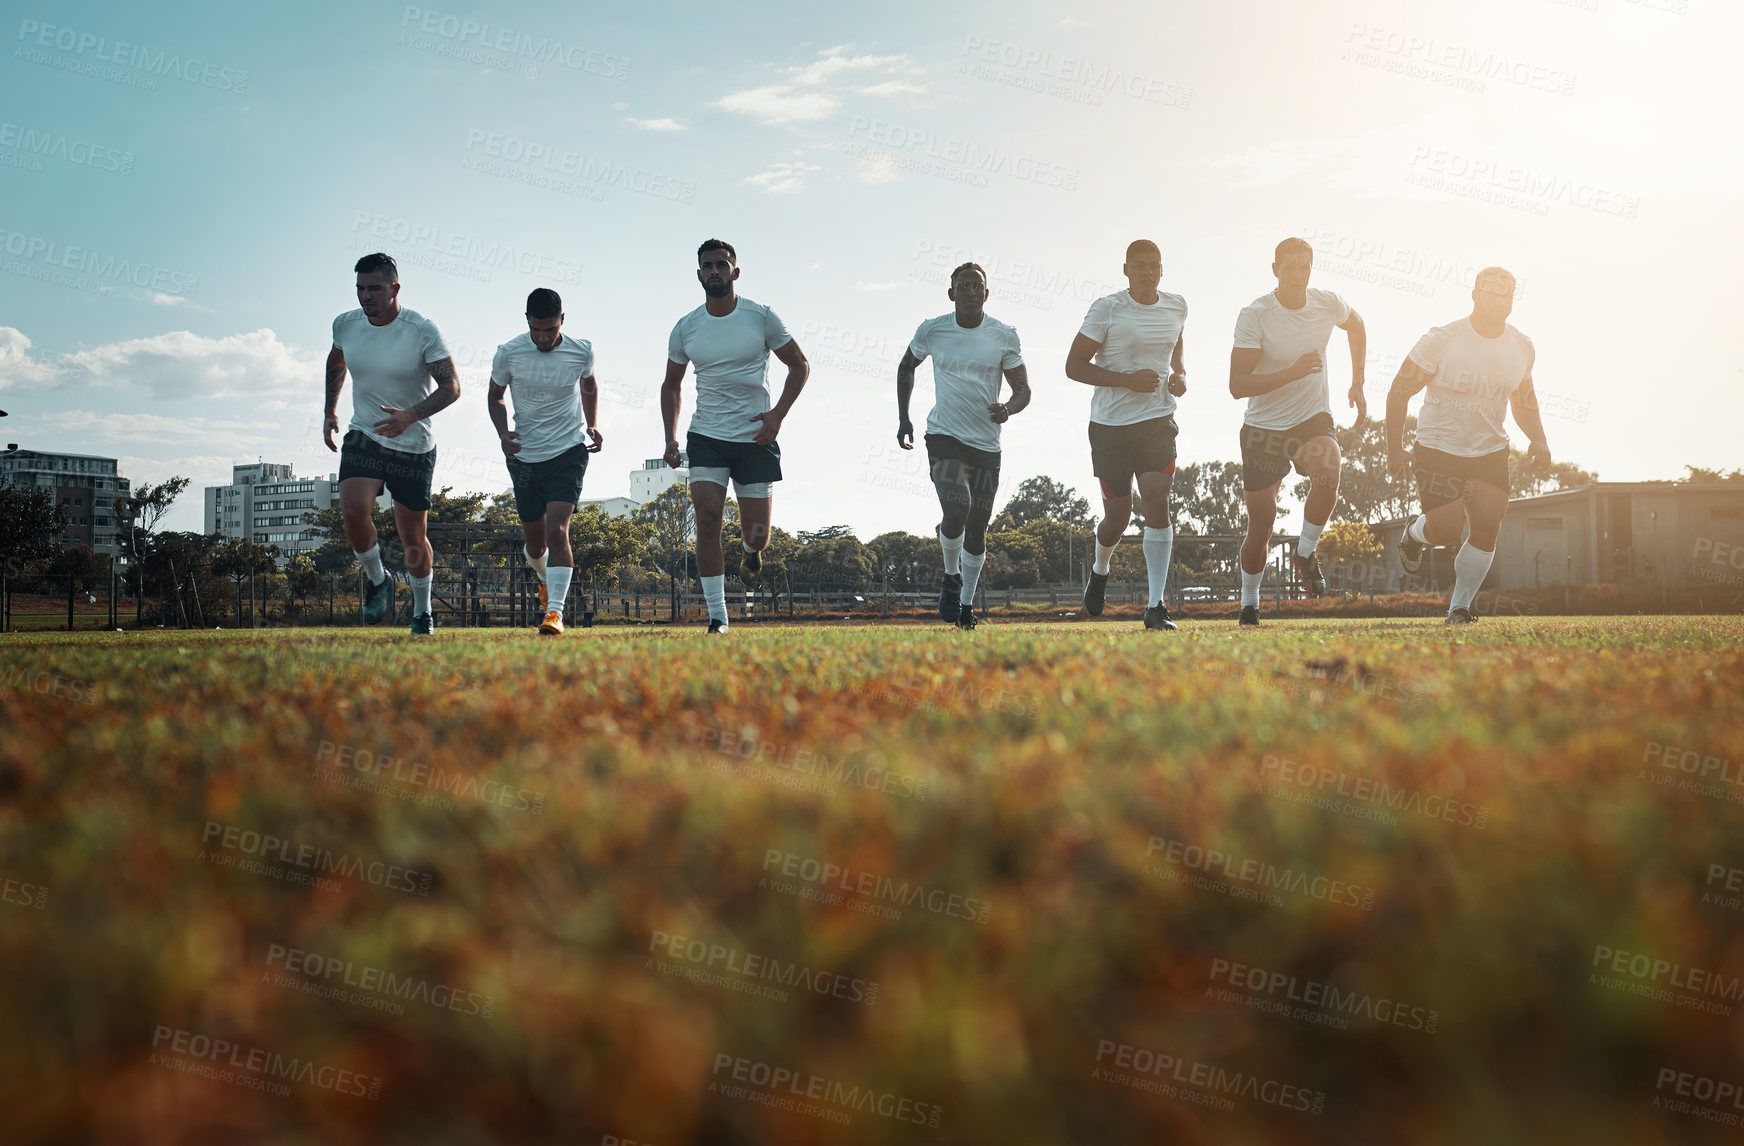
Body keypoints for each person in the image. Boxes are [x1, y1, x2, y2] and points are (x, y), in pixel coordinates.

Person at [661, 239, 809, 633]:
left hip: (756, 436)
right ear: (699, 275)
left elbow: (799, 365)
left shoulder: (761, 317)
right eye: (707, 266)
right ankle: (717, 617)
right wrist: (671, 438)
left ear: (734, 272)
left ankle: (750, 552)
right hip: (706, 436)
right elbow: (672, 386)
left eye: (721, 265)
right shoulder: (686, 327)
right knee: (707, 518)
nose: (714, 271)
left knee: (757, 535)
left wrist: (778, 415)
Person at [1387, 266, 1548, 624]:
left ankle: (1459, 608)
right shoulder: (1441, 339)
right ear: (1474, 295)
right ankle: (1415, 533)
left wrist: (1538, 438)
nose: (1497, 298)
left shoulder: (1521, 346)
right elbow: (1399, 390)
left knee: (1488, 524)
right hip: (1439, 447)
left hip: (1490, 449)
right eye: (1489, 290)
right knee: (1445, 530)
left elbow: (1524, 400)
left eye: (1505, 293)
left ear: (1512, 301)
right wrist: (1394, 448)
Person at [1229, 237, 1366, 627]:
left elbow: (1356, 327)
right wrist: (1292, 371)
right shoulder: (1256, 313)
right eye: (1289, 266)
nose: (1298, 273)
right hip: (1263, 427)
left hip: (1311, 417)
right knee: (1262, 524)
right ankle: (1249, 604)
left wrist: (1358, 381)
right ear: (1275, 269)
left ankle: (1305, 553)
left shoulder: (1327, 303)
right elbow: (1237, 385)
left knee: (1329, 466)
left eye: (1304, 265)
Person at [323, 252, 459, 635]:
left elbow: (452, 388)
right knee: (352, 509)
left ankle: (421, 610)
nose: (366, 297)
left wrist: (409, 416)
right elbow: (337, 361)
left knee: (412, 535)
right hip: (364, 434)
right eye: (360, 289)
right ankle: (378, 578)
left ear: (395, 288)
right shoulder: (345, 325)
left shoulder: (421, 329)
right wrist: (329, 411)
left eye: (375, 289)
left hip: (413, 443)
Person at [897, 262, 1030, 631]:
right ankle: (951, 577)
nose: (971, 291)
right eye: (964, 285)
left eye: (977, 286)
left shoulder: (1004, 335)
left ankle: (967, 607)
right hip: (943, 436)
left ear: (986, 294)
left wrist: (1009, 408)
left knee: (977, 528)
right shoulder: (933, 329)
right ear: (952, 293)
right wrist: (904, 417)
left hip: (987, 445)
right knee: (958, 506)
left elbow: (1023, 391)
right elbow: (906, 367)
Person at [1065, 239, 1187, 631]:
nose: (1148, 272)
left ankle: (1155, 607)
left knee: (1156, 497)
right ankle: (1100, 570)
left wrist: (1180, 374)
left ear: (1163, 269)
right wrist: (1126, 382)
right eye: (1140, 266)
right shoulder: (1107, 309)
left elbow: (1175, 346)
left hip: (1157, 420)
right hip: (1110, 427)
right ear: (1126, 269)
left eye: (1155, 265)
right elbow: (1074, 366)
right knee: (1117, 519)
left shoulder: (1177, 306)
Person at [487, 287, 603, 637]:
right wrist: (503, 433)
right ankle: (542, 576)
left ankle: (554, 613)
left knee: (558, 530)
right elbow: (495, 396)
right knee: (536, 545)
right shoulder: (508, 353)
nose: (543, 337)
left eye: (550, 329)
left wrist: (593, 423)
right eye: (536, 330)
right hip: (524, 458)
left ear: (562, 321)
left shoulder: (581, 350)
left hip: (568, 452)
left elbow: (589, 385)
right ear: (527, 322)